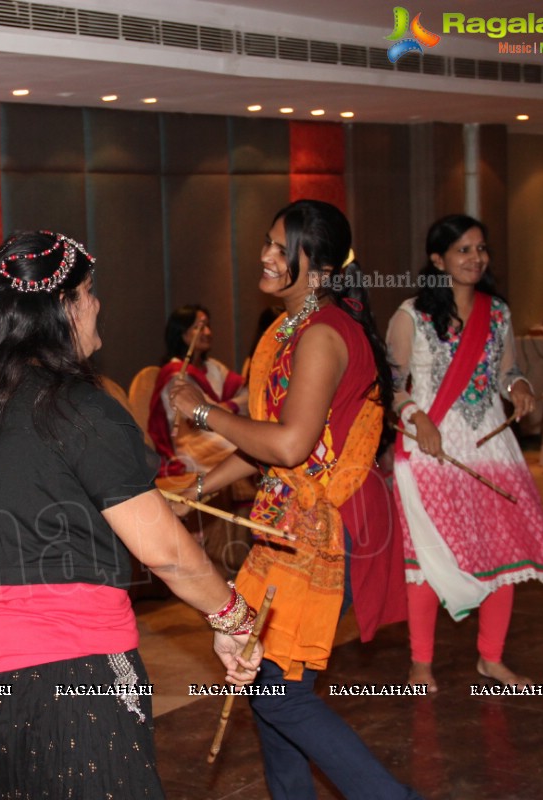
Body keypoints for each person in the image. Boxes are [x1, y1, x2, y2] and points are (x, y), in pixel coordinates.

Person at [0, 230, 262, 797]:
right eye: (89, 291)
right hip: (71, 680)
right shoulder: (78, 406)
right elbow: (166, 554)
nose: (98, 303)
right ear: (62, 307)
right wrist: (232, 615)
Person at [170, 199, 418, 799]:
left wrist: (202, 411)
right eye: (268, 242)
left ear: (324, 269)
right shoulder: (287, 330)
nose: (266, 255)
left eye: (283, 248)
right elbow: (268, 445)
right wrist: (197, 489)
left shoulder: (325, 335)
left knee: (278, 688)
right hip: (293, 518)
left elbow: (288, 444)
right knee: (265, 682)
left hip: (334, 523)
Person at [388, 214, 543, 692]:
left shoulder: (498, 313)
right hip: (431, 447)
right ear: (438, 259)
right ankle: (421, 665)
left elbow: (507, 371)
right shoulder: (410, 315)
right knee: (429, 559)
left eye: (481, 249)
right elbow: (389, 385)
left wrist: (518, 388)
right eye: (463, 251)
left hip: (491, 449)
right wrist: (418, 415)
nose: (476, 259)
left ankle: (491, 659)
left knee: (503, 552)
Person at [148, 305, 248, 478]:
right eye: (199, 327)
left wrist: (227, 406)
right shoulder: (175, 373)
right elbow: (194, 412)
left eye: (208, 326)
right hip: (192, 441)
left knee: (250, 440)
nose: (207, 332)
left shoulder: (213, 367)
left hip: (219, 429)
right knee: (246, 448)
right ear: (182, 334)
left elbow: (248, 395)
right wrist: (226, 410)